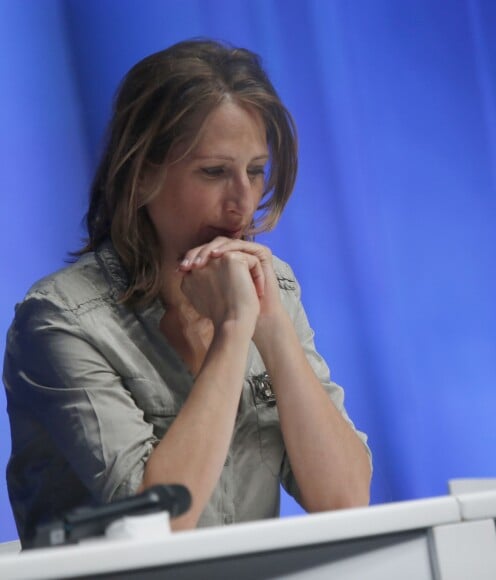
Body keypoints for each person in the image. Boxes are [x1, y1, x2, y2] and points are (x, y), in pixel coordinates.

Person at [3, 39, 372, 548]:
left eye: (256, 170)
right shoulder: (60, 321)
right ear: (141, 176)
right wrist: (233, 331)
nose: (242, 201)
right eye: (214, 172)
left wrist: (273, 331)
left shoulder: (271, 287)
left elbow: (345, 499)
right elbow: (158, 525)